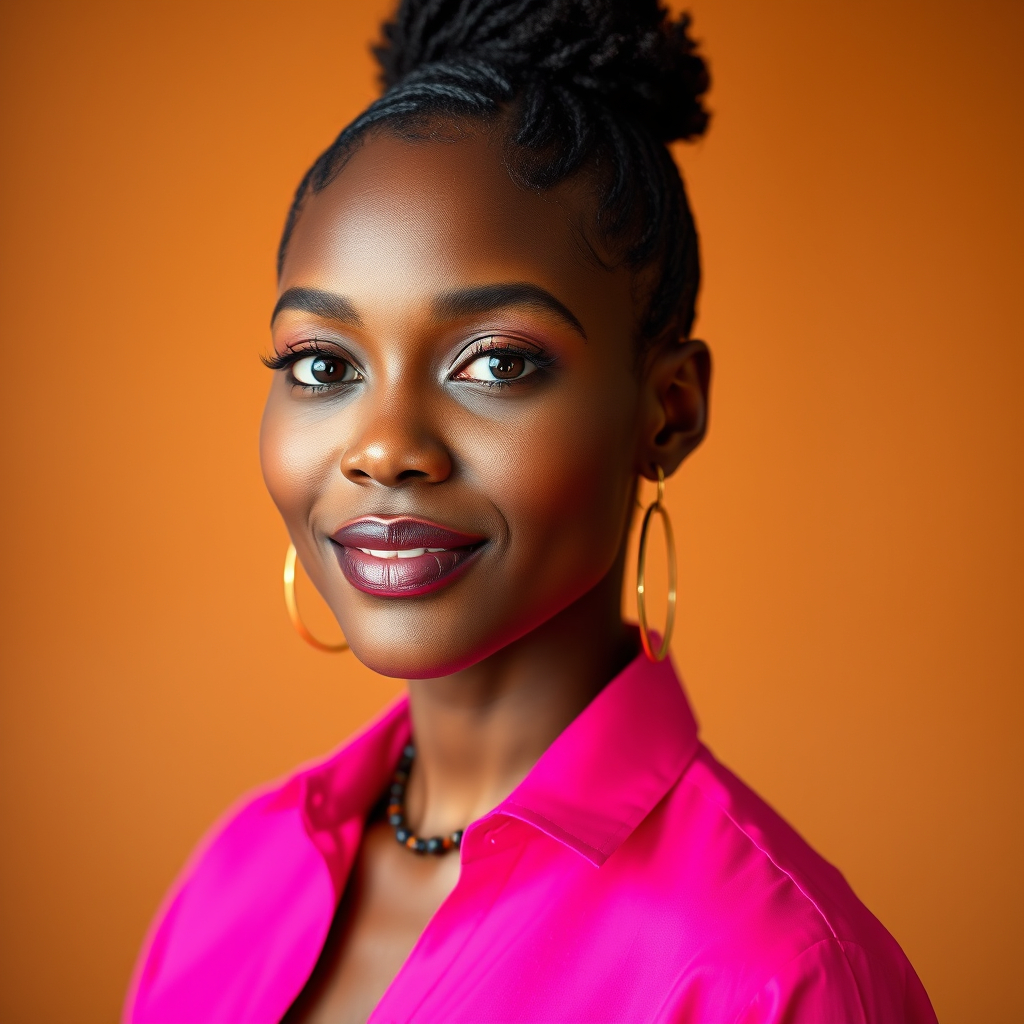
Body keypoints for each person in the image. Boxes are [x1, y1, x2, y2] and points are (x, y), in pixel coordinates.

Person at [124, 2, 937, 1021]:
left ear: (669, 410)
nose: (382, 446)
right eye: (322, 364)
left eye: (497, 362)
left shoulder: (771, 973)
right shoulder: (234, 877)